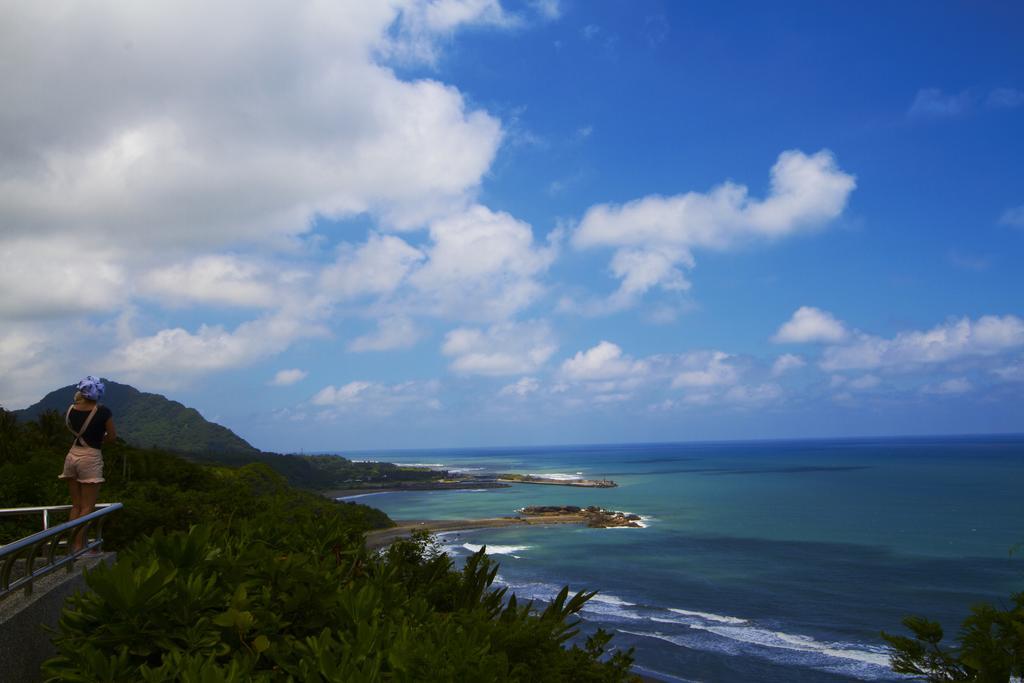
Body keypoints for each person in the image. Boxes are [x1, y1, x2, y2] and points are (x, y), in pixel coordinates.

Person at [59, 375, 116, 552]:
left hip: (72, 455)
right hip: (90, 457)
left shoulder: (70, 409)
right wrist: (99, 440)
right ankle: (79, 545)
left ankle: (72, 545)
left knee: (76, 505)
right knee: (87, 506)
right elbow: (112, 437)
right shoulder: (103, 412)